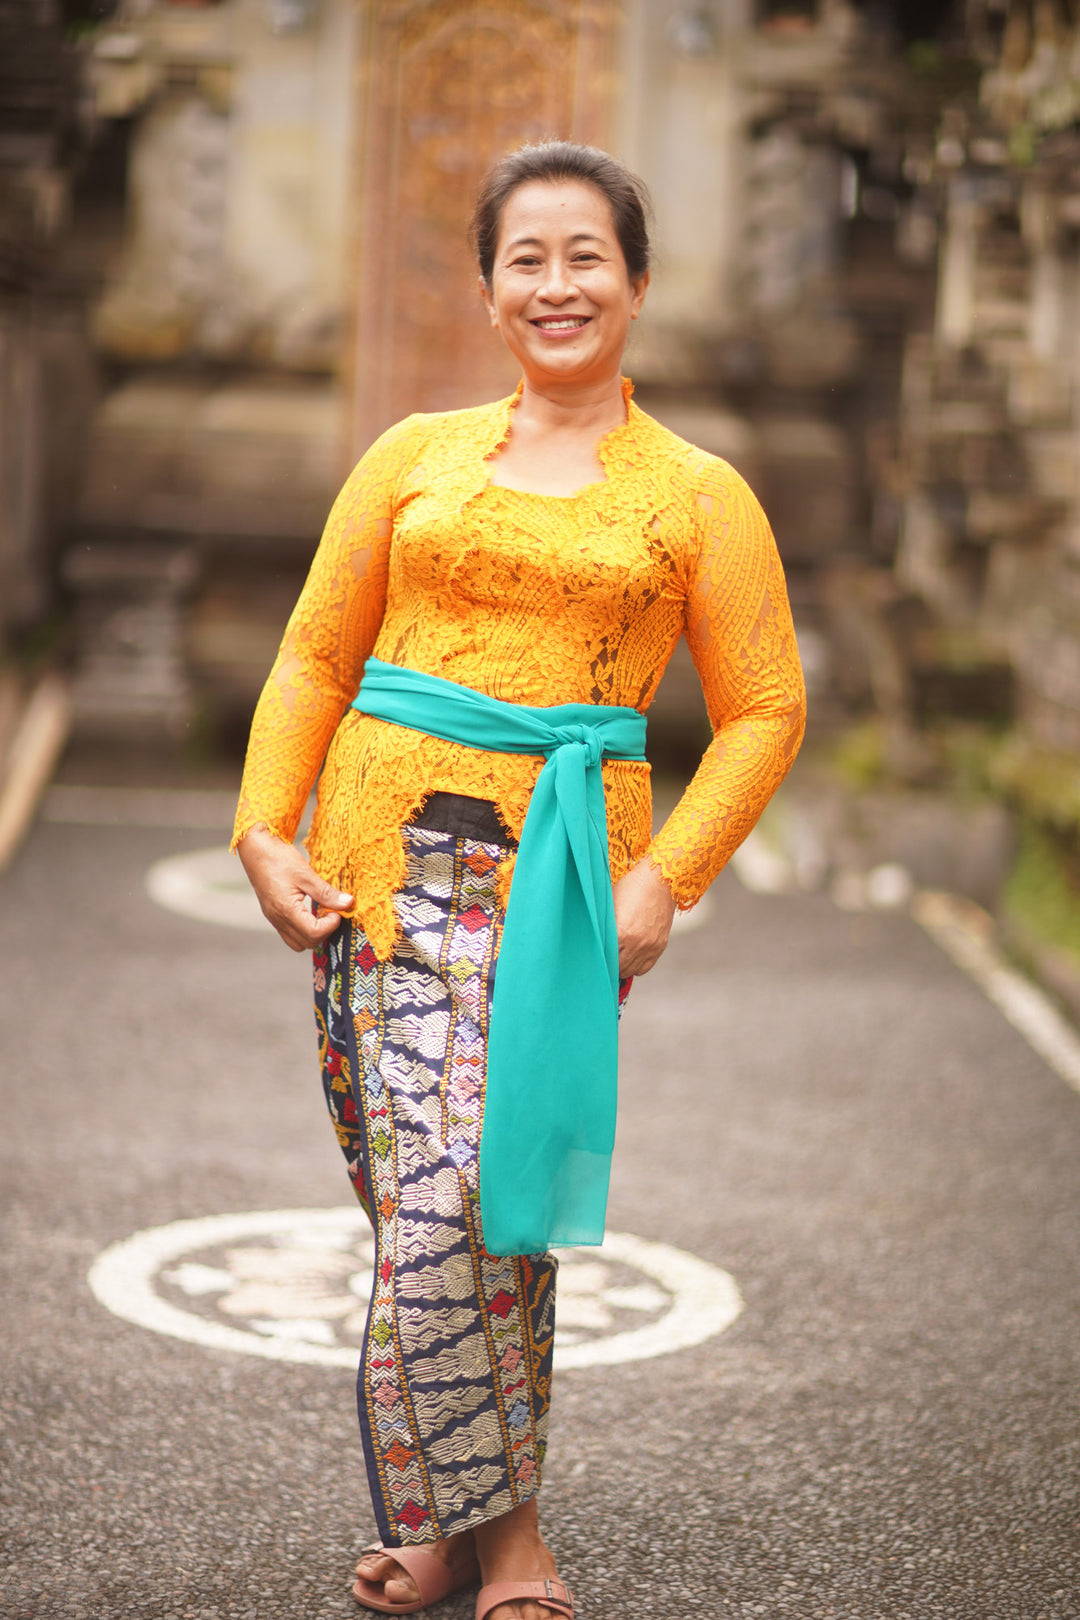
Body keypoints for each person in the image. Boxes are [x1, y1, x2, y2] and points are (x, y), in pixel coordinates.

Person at [233, 140, 806, 1620]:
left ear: (637, 282)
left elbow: (766, 707)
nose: (557, 285)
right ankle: (439, 1512)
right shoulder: (411, 456)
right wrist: (263, 827)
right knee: (407, 1186)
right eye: (526, 260)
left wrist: (672, 872)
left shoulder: (698, 493)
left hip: (551, 889)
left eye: (585, 256)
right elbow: (314, 652)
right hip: (372, 865)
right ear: (490, 293)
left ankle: (506, 1541)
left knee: (473, 1201)